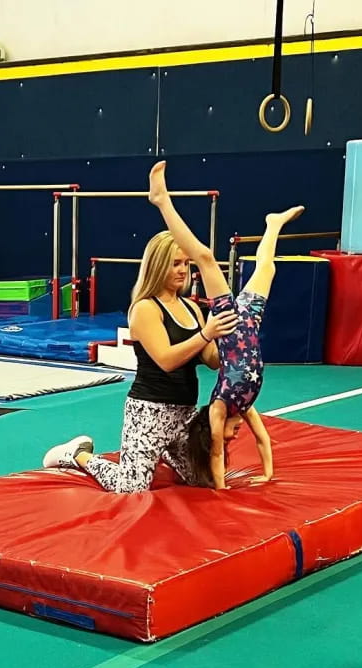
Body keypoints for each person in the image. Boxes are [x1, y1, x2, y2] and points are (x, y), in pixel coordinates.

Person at [41, 229, 238, 492]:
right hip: (149, 412)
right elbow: (166, 360)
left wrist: (230, 341)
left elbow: (211, 360)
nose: (183, 270)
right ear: (157, 266)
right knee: (130, 488)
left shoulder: (191, 308)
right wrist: (206, 334)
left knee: (205, 481)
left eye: (186, 263)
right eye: (175, 264)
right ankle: (77, 455)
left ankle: (162, 451)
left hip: (184, 413)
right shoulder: (145, 308)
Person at [147, 160, 304, 489]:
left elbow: (216, 451)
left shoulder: (220, 407)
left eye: (230, 436)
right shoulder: (245, 405)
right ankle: (273, 224)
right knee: (268, 269)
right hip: (249, 321)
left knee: (204, 257)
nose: (235, 436)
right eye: (235, 437)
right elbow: (263, 440)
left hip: (231, 324)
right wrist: (268, 474)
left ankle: (161, 201)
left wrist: (221, 488)